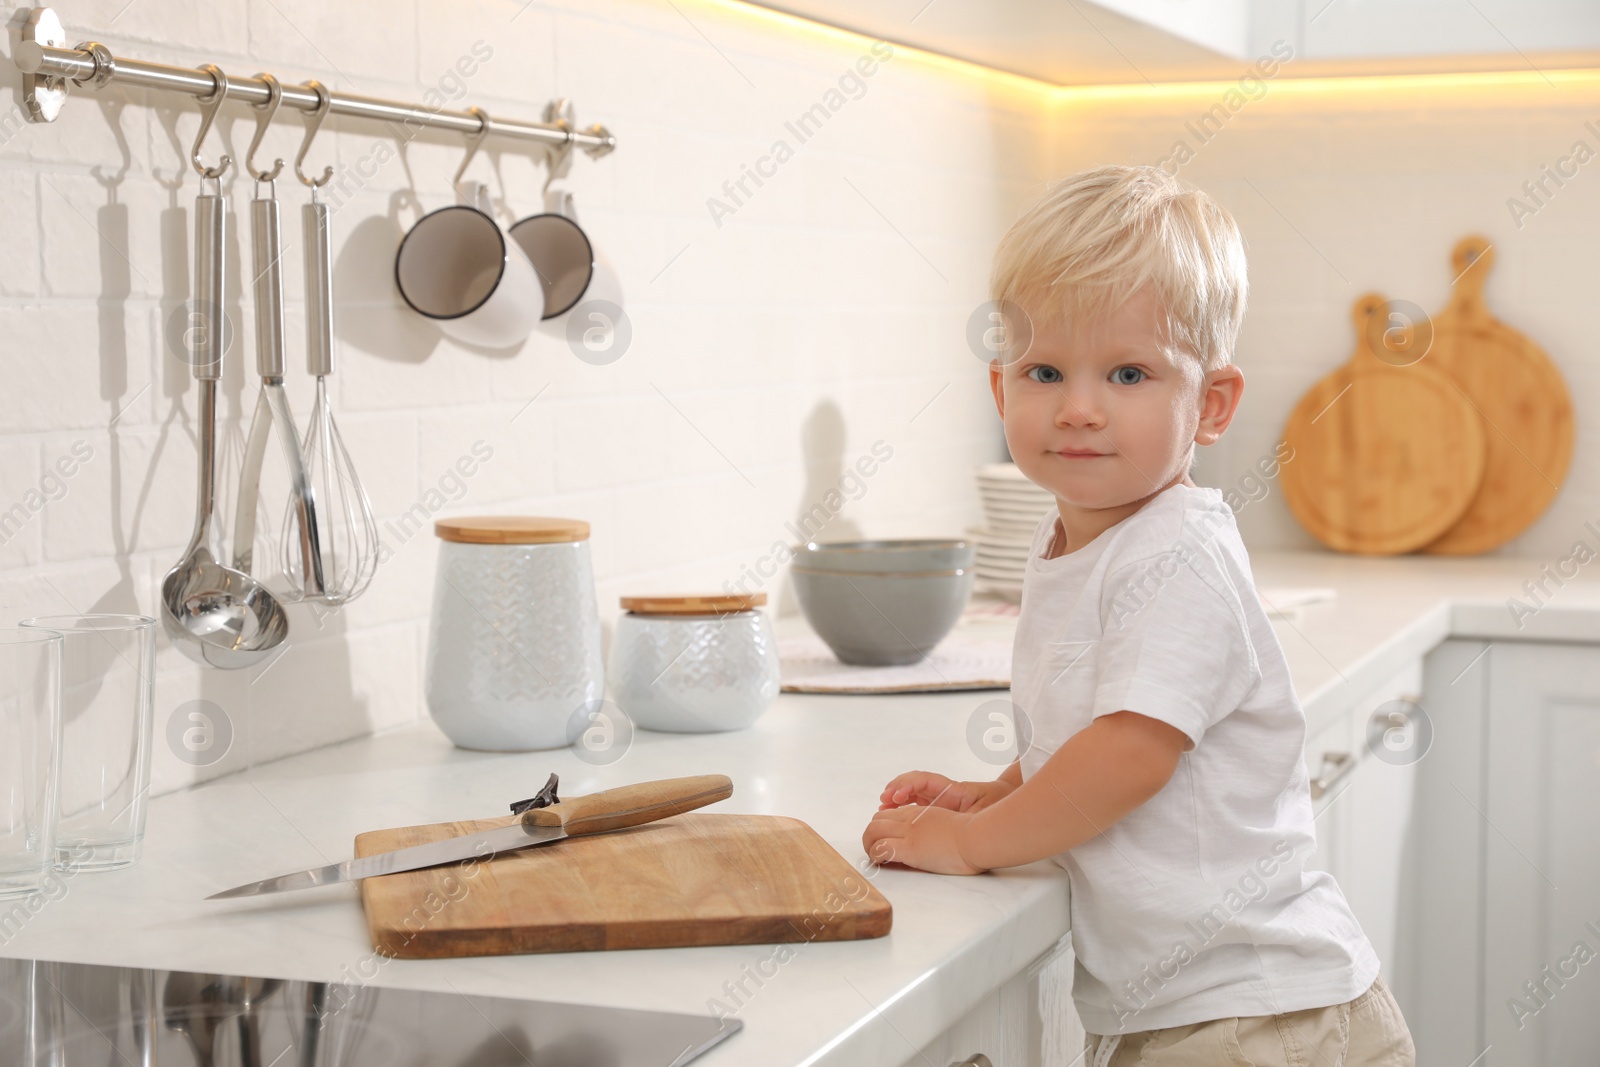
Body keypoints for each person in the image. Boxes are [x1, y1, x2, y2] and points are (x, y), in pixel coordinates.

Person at [860, 165, 1416, 1066]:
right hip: (1207, 1012)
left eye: (1129, 372)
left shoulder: (1174, 551)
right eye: (1046, 371)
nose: (1079, 407)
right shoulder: (1084, 540)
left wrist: (971, 841)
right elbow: (1090, 734)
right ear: (1002, 393)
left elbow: (1131, 754)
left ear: (1213, 404)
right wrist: (1000, 793)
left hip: (1256, 1020)